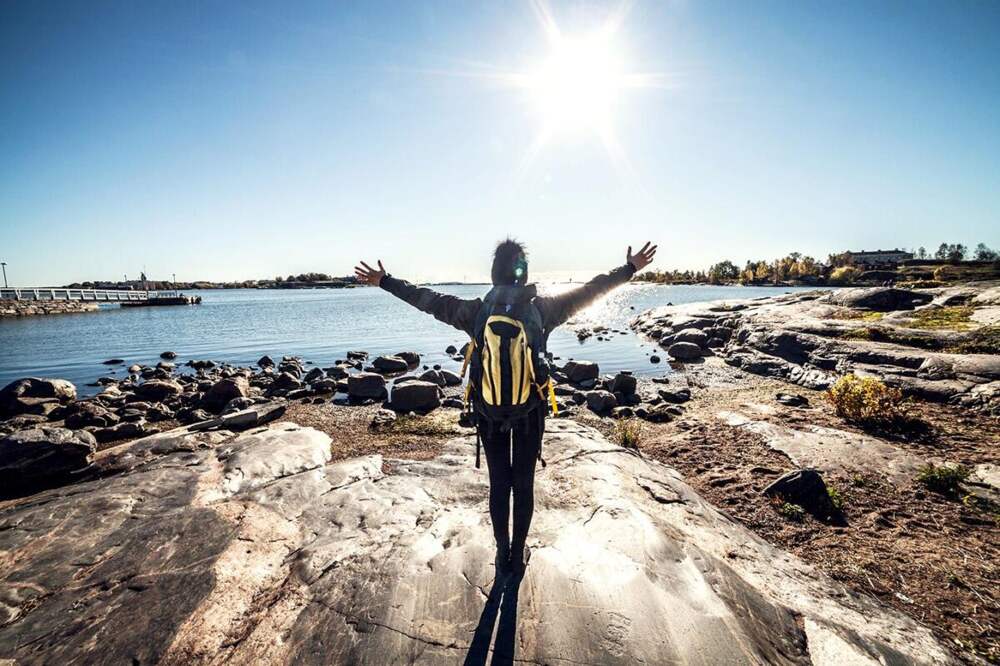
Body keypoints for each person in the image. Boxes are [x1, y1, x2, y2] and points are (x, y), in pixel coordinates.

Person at [354, 239, 656, 575]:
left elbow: (426, 300)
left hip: (488, 410)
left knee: (500, 483)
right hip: (530, 410)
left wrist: (385, 281)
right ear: (523, 272)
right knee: (523, 483)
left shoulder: (475, 312)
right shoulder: (543, 309)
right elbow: (592, 290)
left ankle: (502, 552)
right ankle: (517, 552)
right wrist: (629, 269)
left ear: (494, 273)